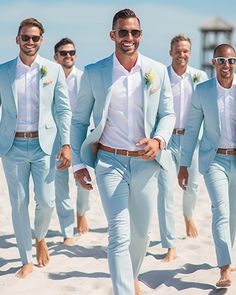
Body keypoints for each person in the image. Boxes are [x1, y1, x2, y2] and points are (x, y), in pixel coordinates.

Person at [71, 8, 175, 295]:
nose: (128, 37)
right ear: (112, 35)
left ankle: (131, 276)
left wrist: (159, 141)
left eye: (134, 32)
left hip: (146, 163)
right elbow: (79, 120)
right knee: (119, 234)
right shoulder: (94, 73)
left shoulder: (157, 71)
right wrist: (79, 163)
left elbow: (168, 115)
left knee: (141, 235)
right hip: (109, 162)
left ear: (140, 35)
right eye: (123, 32)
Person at [0, 18, 71, 278]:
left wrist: (65, 144)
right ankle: (25, 258)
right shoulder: (3, 71)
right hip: (12, 146)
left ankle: (40, 236)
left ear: (41, 40)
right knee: (19, 203)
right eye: (26, 37)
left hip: (45, 147)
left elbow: (63, 110)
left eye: (35, 38)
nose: (30, 42)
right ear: (17, 39)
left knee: (46, 200)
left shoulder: (53, 71)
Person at [178, 43, 236, 287]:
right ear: (213, 63)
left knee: (233, 214)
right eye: (221, 60)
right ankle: (224, 268)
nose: (226, 65)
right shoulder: (202, 91)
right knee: (221, 211)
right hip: (215, 160)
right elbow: (192, 129)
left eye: (231, 61)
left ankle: (229, 257)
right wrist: (183, 164)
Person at [157, 35, 208, 262]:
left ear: (190, 52)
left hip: (191, 140)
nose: (182, 54)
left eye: (186, 51)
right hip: (167, 142)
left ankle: (188, 215)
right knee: (166, 192)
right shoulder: (160, 76)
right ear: (171, 52)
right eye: (178, 50)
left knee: (192, 187)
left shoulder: (200, 77)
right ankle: (170, 245)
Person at [54, 37, 90, 245]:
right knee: (61, 185)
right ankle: (67, 231)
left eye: (72, 53)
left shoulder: (83, 78)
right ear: (56, 57)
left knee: (83, 180)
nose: (69, 56)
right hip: (56, 138)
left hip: (80, 136)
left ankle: (82, 212)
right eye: (64, 53)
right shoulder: (49, 77)